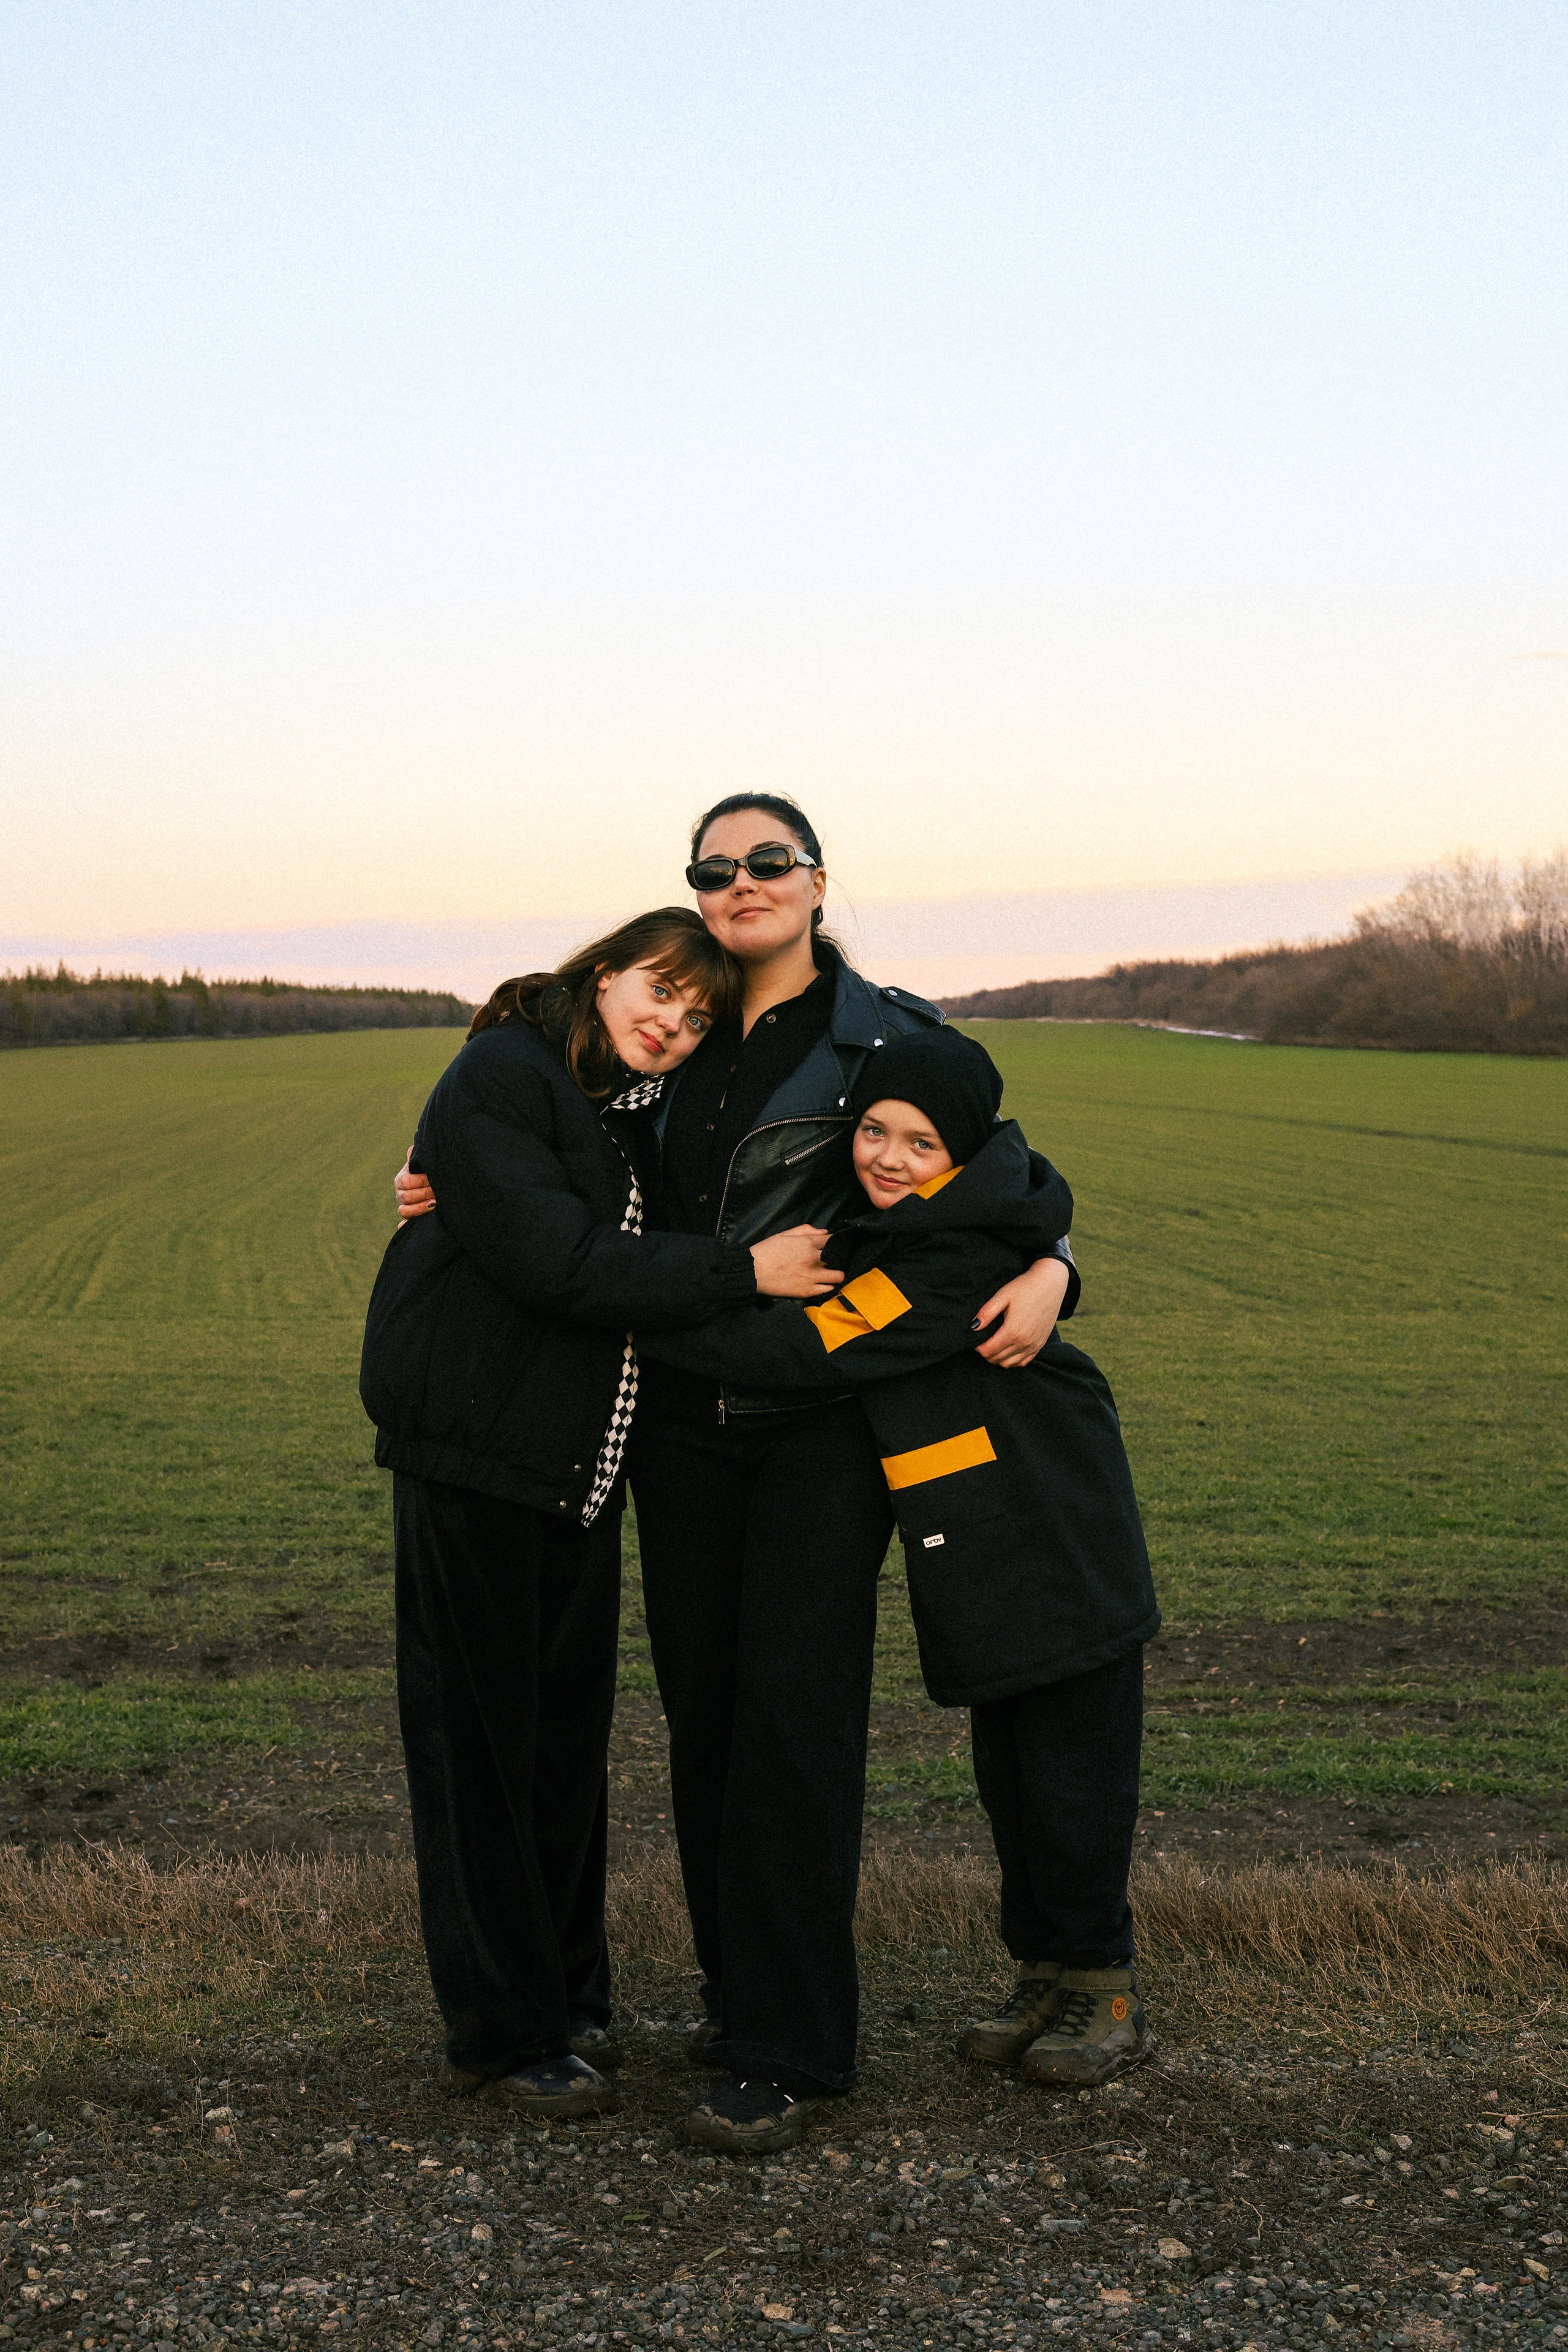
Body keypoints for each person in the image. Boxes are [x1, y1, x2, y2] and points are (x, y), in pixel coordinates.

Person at [396, 794, 1077, 2155]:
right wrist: (438, 1170)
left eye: (766, 860)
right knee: (705, 1723)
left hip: (816, 1426)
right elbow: (539, 1165)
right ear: (686, 900)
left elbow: (997, 1176)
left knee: (791, 1723)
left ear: (817, 879)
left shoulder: (888, 1036)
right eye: (713, 868)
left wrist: (1056, 1261)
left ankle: (788, 2046)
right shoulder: (653, 1055)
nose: (740, 881)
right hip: (672, 1427)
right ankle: (731, 2005)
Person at [360, 909, 835, 2121]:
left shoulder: (617, 1106)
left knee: (559, 1751)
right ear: (605, 966)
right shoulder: (503, 1072)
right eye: (658, 990)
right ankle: (501, 2033)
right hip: (473, 1454)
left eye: (692, 1016)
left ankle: (570, 2001)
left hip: (573, 1469)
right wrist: (747, 1272)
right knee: (481, 1758)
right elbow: (561, 1264)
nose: (668, 1023)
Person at [641, 1023, 1161, 2089]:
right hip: (988, 1524)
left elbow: (805, 1347)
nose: (885, 1157)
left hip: (1055, 1525)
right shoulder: (942, 1222)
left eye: (919, 1144)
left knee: (1071, 1768)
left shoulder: (947, 1255)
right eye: (874, 1130)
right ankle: (1047, 1975)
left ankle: (1103, 1988)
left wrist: (625, 1313)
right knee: (1013, 1769)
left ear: (961, 1156)